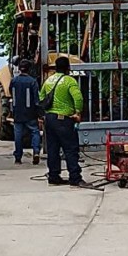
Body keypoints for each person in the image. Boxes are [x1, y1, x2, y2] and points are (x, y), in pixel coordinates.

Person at [39, 56, 90, 188]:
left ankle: (54, 176)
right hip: (63, 120)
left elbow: (41, 97)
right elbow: (78, 97)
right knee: (70, 149)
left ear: (56, 67)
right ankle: (75, 177)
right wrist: (77, 112)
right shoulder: (69, 81)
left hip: (49, 119)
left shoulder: (49, 80)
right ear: (68, 67)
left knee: (53, 149)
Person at [10, 58, 41, 165]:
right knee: (35, 132)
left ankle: (18, 157)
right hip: (30, 113)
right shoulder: (32, 81)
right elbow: (36, 99)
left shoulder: (14, 81)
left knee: (18, 135)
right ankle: (36, 152)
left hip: (17, 112)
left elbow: (11, 93)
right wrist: (40, 113)